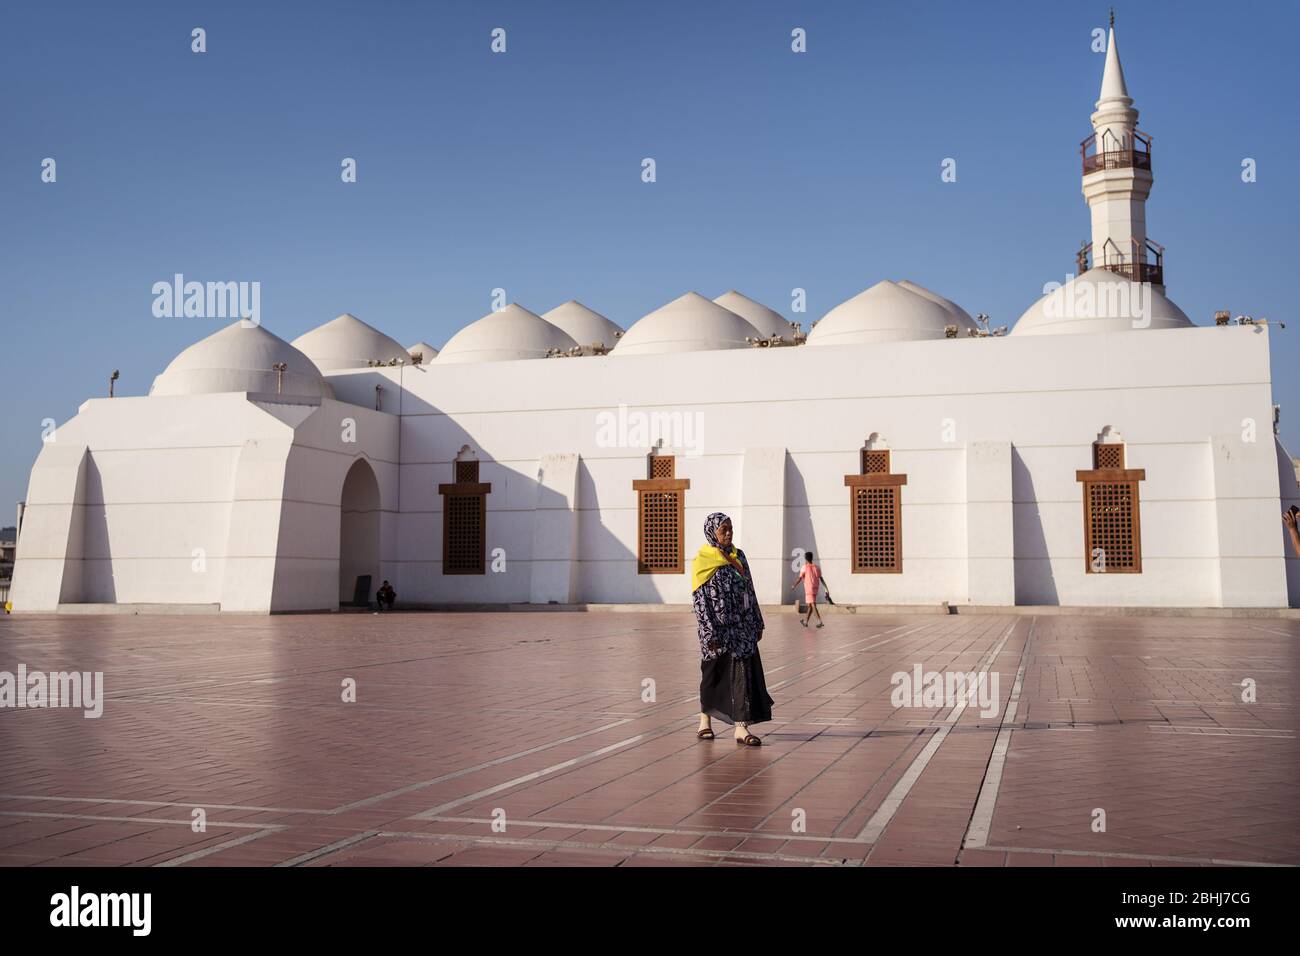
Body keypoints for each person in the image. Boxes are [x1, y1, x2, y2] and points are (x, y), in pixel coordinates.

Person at [691, 512, 773, 746]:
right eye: (723, 529)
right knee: (712, 675)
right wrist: (709, 632)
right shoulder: (703, 559)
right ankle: (704, 721)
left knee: (742, 675)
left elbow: (750, 588)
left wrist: (757, 621)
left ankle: (741, 727)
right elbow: (700, 599)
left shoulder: (739, 557)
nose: (728, 533)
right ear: (712, 532)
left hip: (742, 626)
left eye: (730, 529)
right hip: (717, 629)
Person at [791, 552, 827, 628]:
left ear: (805, 558)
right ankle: (805, 621)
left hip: (808, 589)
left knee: (813, 604)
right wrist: (826, 588)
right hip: (815, 589)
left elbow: (800, 578)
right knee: (810, 605)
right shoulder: (817, 567)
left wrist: (794, 585)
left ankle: (819, 621)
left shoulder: (804, 567)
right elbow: (821, 578)